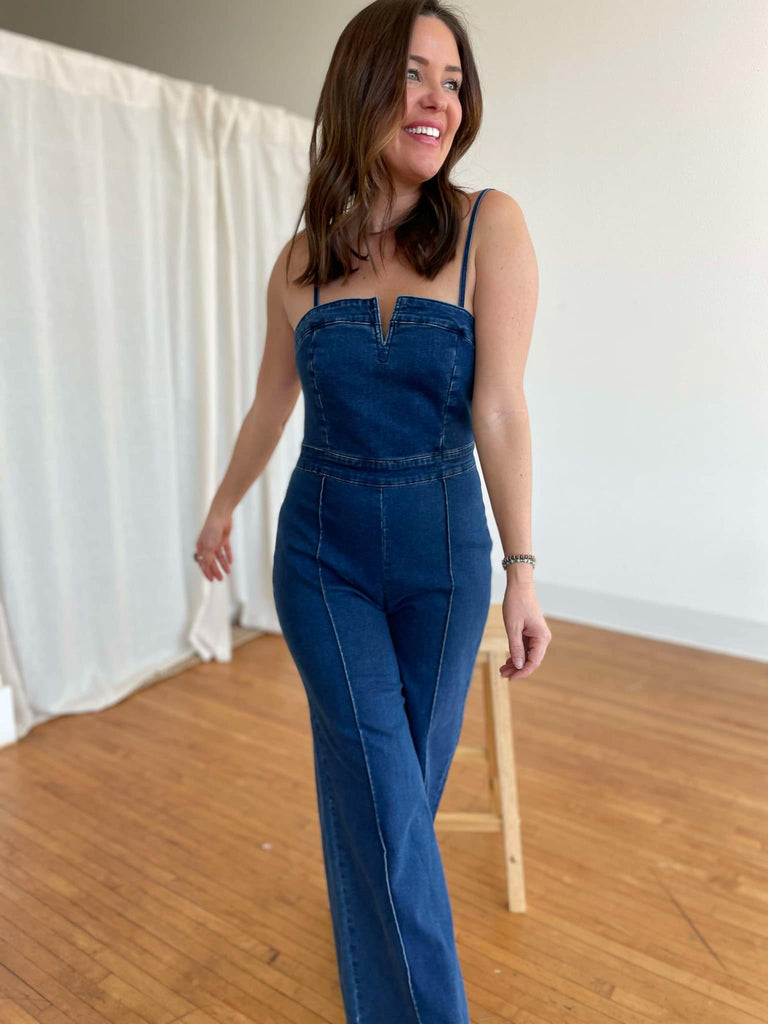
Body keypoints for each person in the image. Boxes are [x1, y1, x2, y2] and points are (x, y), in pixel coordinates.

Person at [194, 0, 550, 1019]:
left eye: (453, 80)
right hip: (323, 555)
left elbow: (499, 407)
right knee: (387, 804)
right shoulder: (302, 259)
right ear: (360, 89)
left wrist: (523, 569)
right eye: (412, 75)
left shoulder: (490, 226)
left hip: (447, 557)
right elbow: (272, 405)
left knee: (390, 808)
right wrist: (222, 506)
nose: (439, 100)